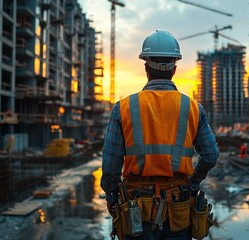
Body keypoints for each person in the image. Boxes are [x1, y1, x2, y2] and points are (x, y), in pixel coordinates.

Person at [101, 29, 219, 240]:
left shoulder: (124, 107)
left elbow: (111, 164)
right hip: (178, 208)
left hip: (135, 208)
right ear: (174, 68)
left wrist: (111, 195)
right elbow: (210, 155)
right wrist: (194, 181)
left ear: (146, 67)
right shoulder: (192, 107)